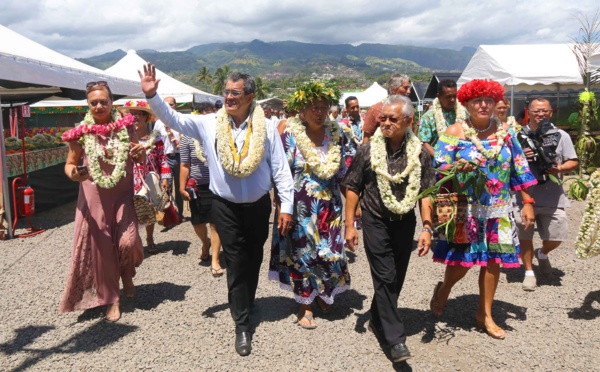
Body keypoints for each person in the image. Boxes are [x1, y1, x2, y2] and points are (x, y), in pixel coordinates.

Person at [139, 64, 294, 356]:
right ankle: (242, 323)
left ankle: (247, 299)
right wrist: (152, 96)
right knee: (235, 259)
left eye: (235, 93)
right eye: (226, 92)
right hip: (224, 206)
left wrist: (286, 205)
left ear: (250, 97)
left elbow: (281, 170)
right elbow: (174, 118)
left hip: (258, 207)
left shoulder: (268, 127)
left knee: (254, 256)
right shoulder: (210, 123)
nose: (229, 97)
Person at [429, 79, 537, 339]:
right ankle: (444, 289)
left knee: (493, 262)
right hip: (466, 209)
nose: (484, 105)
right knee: (463, 262)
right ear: (466, 104)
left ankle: (485, 314)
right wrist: (457, 168)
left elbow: (519, 168)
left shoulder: (506, 133)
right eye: (477, 101)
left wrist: (528, 203)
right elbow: (438, 168)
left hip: (499, 208)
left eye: (488, 100)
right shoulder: (454, 132)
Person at [342, 94, 434, 362]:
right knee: (384, 275)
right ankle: (395, 340)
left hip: (405, 222)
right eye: (383, 118)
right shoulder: (367, 151)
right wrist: (350, 225)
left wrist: (427, 227)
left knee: (396, 278)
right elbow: (352, 188)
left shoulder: (420, 154)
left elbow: (426, 191)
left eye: (393, 119)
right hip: (375, 220)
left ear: (408, 120)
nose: (386, 123)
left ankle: (377, 318)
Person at [59, 81, 146, 322]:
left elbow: (139, 154)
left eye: (103, 101)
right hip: (94, 194)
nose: (99, 106)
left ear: (111, 102)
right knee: (104, 248)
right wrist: (74, 174)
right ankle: (111, 298)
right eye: (94, 102)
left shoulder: (126, 127)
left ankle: (127, 274)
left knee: (129, 242)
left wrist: (141, 152)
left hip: (124, 192)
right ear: (88, 105)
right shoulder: (81, 132)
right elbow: (70, 164)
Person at [269, 81, 350, 330]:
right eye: (313, 106)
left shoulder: (337, 134)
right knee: (302, 255)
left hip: (331, 208)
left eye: (323, 106)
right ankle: (305, 303)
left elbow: (345, 173)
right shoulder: (289, 134)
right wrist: (282, 204)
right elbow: (278, 171)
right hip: (300, 208)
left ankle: (323, 292)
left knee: (330, 252)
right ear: (301, 110)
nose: (319, 111)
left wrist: (354, 209)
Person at [514, 97, 579, 291]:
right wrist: (520, 158)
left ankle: (542, 253)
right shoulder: (518, 136)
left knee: (558, 235)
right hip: (524, 195)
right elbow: (506, 164)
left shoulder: (561, 136)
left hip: (552, 194)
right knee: (524, 235)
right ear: (529, 112)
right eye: (536, 111)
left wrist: (559, 168)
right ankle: (528, 272)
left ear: (551, 112)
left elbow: (573, 161)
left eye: (544, 111)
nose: (540, 114)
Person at [120, 100, 171, 254]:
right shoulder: (123, 138)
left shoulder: (155, 138)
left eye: (139, 114)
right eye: (132, 114)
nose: (135, 117)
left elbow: (162, 158)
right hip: (128, 179)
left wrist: (165, 178)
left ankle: (149, 238)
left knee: (148, 208)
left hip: (148, 178)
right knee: (128, 211)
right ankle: (132, 241)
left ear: (145, 118)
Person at [179, 134, 223, 276]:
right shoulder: (187, 137)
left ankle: (215, 259)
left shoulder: (219, 134)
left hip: (218, 186)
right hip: (197, 186)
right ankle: (205, 242)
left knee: (216, 222)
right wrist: (181, 187)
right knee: (197, 222)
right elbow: (185, 164)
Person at [153, 96, 186, 222]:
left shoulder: (181, 119)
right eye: (166, 104)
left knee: (180, 187)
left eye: (171, 104)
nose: (168, 106)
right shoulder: (159, 122)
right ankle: (169, 214)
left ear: (175, 105)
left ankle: (180, 213)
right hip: (166, 158)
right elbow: (155, 140)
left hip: (181, 157)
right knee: (166, 187)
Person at [417, 80, 466, 156]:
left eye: (454, 96)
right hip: (437, 161)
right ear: (439, 96)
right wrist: (440, 159)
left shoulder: (464, 112)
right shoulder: (428, 117)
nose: (452, 100)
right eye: (448, 97)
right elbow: (424, 142)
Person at [363, 73, 411, 142]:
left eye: (409, 88)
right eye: (405, 88)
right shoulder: (376, 109)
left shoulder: (408, 110)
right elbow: (366, 139)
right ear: (393, 89)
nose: (409, 91)